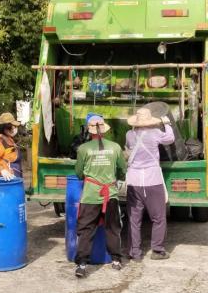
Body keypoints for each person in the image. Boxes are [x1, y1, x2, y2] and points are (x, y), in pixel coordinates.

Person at [74, 115, 127, 278]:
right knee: (113, 228)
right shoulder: (115, 147)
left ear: (89, 130)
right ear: (104, 130)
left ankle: (82, 265)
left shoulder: (83, 149)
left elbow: (78, 173)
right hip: (110, 195)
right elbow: (122, 170)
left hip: (90, 195)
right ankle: (116, 260)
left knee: (86, 230)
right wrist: (115, 177)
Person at [125, 107, 175, 260]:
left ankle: (134, 252)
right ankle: (157, 251)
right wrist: (167, 124)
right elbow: (170, 139)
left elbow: (128, 147)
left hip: (133, 181)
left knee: (134, 219)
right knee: (158, 217)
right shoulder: (155, 133)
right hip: (152, 180)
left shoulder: (129, 134)